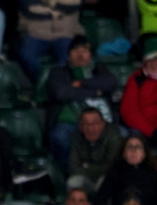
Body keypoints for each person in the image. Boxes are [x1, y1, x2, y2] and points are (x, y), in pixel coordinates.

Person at [45, 36, 117, 167]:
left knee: (123, 134)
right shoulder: (59, 72)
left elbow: (110, 83)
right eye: (75, 51)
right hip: (71, 122)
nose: (80, 55)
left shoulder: (99, 69)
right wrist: (95, 92)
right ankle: (71, 172)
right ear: (68, 54)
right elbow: (61, 93)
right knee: (58, 136)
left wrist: (81, 83)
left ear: (90, 54)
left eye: (84, 51)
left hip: (102, 122)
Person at [16, 0, 84, 78]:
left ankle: (61, 87)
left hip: (65, 33)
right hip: (36, 32)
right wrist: (56, 11)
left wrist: (52, 2)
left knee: (71, 58)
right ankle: (46, 85)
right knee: (25, 54)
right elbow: (30, 8)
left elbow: (76, 2)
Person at [93, 134, 157, 205]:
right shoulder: (115, 172)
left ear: (144, 154)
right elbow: (99, 201)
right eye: (129, 147)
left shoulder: (154, 174)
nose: (133, 151)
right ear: (124, 154)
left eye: (138, 147)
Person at [69, 107, 121, 184]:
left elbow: (111, 167)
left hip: (107, 180)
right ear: (80, 127)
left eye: (95, 123)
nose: (91, 129)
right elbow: (73, 167)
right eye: (86, 124)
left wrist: (86, 166)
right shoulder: (76, 136)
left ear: (103, 124)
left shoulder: (114, 137)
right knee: (73, 182)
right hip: (85, 178)